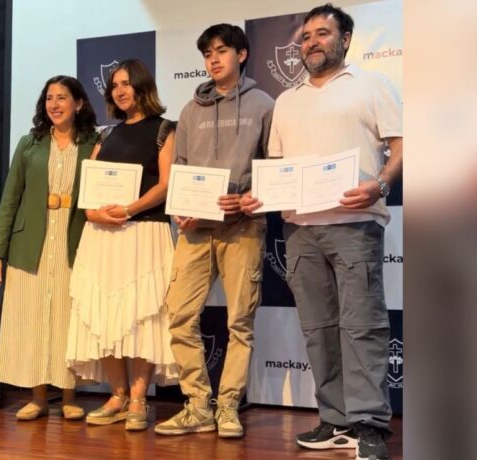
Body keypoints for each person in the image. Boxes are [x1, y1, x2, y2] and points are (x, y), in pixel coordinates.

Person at [241, 4, 402, 459]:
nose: (311, 42)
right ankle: (334, 419)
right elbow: (276, 167)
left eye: (322, 33)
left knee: (363, 328)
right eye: (306, 35)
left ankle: (368, 424)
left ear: (345, 39)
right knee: (318, 329)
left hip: (354, 225)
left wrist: (381, 183)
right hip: (299, 230)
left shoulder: (373, 85)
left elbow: (401, 143)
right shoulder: (288, 100)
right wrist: (261, 195)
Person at [153, 24, 274, 438]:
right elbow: (181, 170)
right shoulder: (189, 111)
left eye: (222, 50)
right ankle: (197, 404)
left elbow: (273, 167)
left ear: (241, 55)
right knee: (180, 316)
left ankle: (228, 406)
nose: (214, 59)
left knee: (241, 321)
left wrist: (248, 197)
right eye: (208, 54)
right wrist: (180, 211)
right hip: (195, 231)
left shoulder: (263, 103)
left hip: (243, 228)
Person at [65, 59, 178, 431]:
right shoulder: (104, 135)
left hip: (144, 231)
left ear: (142, 85)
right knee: (105, 313)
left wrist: (128, 209)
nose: (120, 90)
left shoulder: (165, 129)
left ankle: (139, 399)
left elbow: (165, 184)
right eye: (114, 85)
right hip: (103, 235)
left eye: (126, 83)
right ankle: (116, 394)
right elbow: (90, 181)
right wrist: (94, 214)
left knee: (141, 313)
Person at [0, 75, 99, 422]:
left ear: (78, 103)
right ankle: (37, 397)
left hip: (74, 240)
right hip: (29, 243)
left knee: (67, 319)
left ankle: (68, 396)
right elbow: (10, 199)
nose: (54, 104)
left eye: (62, 97)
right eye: (49, 97)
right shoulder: (29, 143)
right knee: (31, 320)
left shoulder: (95, 143)